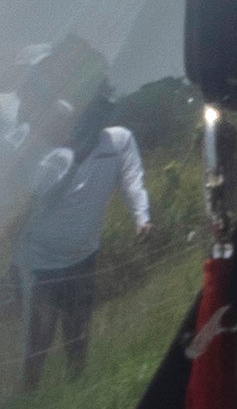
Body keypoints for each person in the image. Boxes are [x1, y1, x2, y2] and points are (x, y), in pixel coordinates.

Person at [10, 70, 148, 383]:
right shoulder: (56, 157)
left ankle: (76, 386)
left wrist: (142, 217)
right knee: (40, 337)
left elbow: (132, 180)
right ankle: (29, 400)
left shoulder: (119, 141)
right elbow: (37, 189)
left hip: (84, 254)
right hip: (39, 261)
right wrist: (73, 155)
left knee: (78, 328)